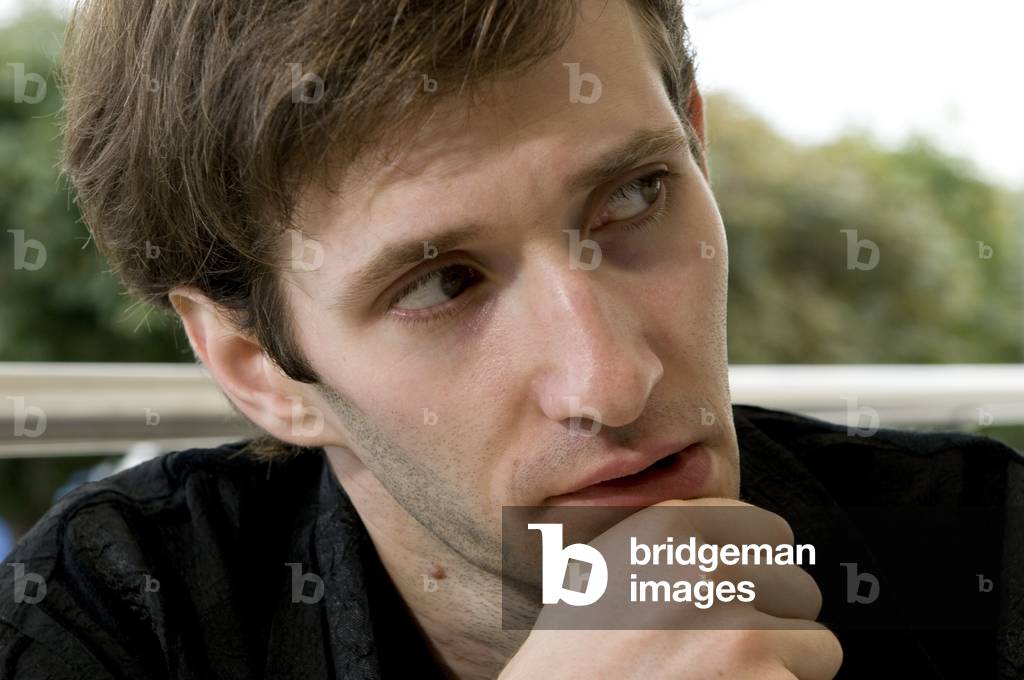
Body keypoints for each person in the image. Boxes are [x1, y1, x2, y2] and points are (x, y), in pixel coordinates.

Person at [1, 0, 1021, 678]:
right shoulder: (119, 617)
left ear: (697, 148)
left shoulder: (983, 546)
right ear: (260, 369)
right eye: (441, 283)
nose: (613, 381)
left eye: (635, 196)